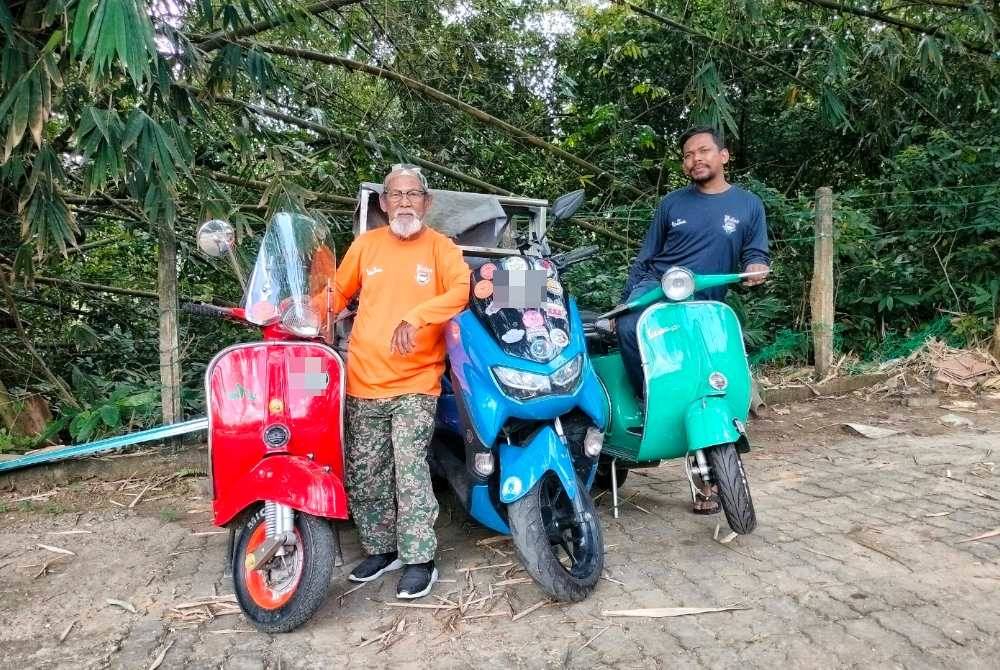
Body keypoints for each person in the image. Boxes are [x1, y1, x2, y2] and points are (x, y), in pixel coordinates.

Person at [332, 165, 470, 599]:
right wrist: (298, 310)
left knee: (409, 470)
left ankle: (419, 559)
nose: (405, 202)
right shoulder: (366, 245)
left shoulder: (441, 248)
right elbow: (336, 293)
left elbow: (461, 291)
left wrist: (417, 316)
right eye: (396, 194)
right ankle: (382, 549)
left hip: (416, 382)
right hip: (363, 381)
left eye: (413, 194)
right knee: (366, 473)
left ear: (426, 203)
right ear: (383, 203)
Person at [617, 126, 770, 514]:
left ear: (723, 156)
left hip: (706, 303)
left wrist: (756, 267)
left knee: (706, 381)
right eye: (687, 155)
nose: (695, 159)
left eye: (703, 151)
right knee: (628, 327)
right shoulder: (672, 204)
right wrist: (629, 300)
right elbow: (646, 257)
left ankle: (710, 479)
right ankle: (648, 395)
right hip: (659, 288)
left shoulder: (748, 205)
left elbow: (756, 254)